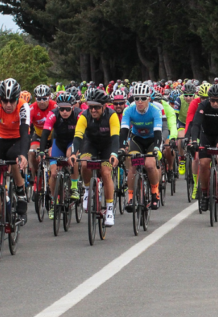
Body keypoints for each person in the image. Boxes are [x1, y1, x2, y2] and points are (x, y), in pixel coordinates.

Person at [72, 89, 120, 227]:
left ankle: (109, 209)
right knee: (85, 164)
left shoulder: (112, 116)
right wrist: (74, 154)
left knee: (105, 173)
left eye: (97, 107)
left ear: (104, 106)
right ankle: (87, 189)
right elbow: (78, 136)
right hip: (90, 144)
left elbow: (115, 136)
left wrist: (114, 154)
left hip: (107, 146)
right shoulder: (84, 116)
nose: (93, 110)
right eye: (90, 106)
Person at [189, 84, 218, 213]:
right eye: (212, 100)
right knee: (203, 164)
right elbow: (196, 124)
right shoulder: (203, 106)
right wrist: (193, 141)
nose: (215, 103)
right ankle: (204, 194)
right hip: (207, 135)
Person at [119, 84, 163, 211]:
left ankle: (155, 192)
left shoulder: (155, 111)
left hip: (151, 141)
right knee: (133, 164)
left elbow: (158, 132)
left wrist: (157, 149)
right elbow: (124, 131)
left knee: (149, 164)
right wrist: (122, 148)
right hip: (137, 140)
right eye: (136, 98)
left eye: (143, 98)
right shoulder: (128, 110)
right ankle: (131, 197)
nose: (139, 101)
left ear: (149, 99)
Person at [40, 93, 83, 203]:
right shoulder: (53, 114)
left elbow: (85, 133)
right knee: (53, 173)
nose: (64, 112)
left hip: (72, 141)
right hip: (58, 143)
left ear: (72, 108)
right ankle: (55, 201)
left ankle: (74, 187)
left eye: (67, 109)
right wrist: (41, 151)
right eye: (62, 109)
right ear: (57, 108)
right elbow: (45, 133)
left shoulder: (78, 114)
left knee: (71, 155)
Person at [0, 79, 31, 224]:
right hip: (2, 139)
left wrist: (23, 155)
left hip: (18, 139)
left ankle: (20, 192)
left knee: (14, 159)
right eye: (4, 101)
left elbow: (25, 133)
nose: (8, 105)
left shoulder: (24, 107)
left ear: (17, 98)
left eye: (12, 101)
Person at [28, 85, 57, 201]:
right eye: (39, 99)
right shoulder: (32, 108)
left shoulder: (54, 106)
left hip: (54, 136)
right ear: (35, 99)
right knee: (31, 153)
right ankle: (35, 178)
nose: (42, 102)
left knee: (53, 156)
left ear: (49, 97)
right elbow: (28, 127)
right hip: (39, 136)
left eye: (45, 98)